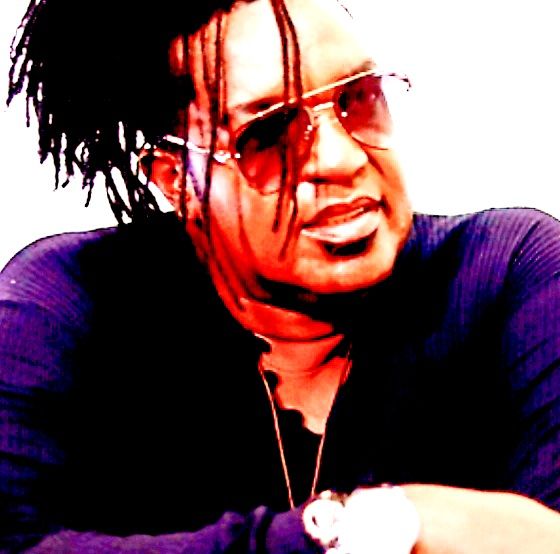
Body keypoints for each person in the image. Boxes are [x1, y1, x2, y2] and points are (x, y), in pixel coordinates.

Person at [1, 0, 559, 552]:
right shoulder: (68, 302)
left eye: (358, 99)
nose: (342, 160)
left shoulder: (510, 271)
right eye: (267, 135)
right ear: (178, 180)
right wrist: (380, 528)